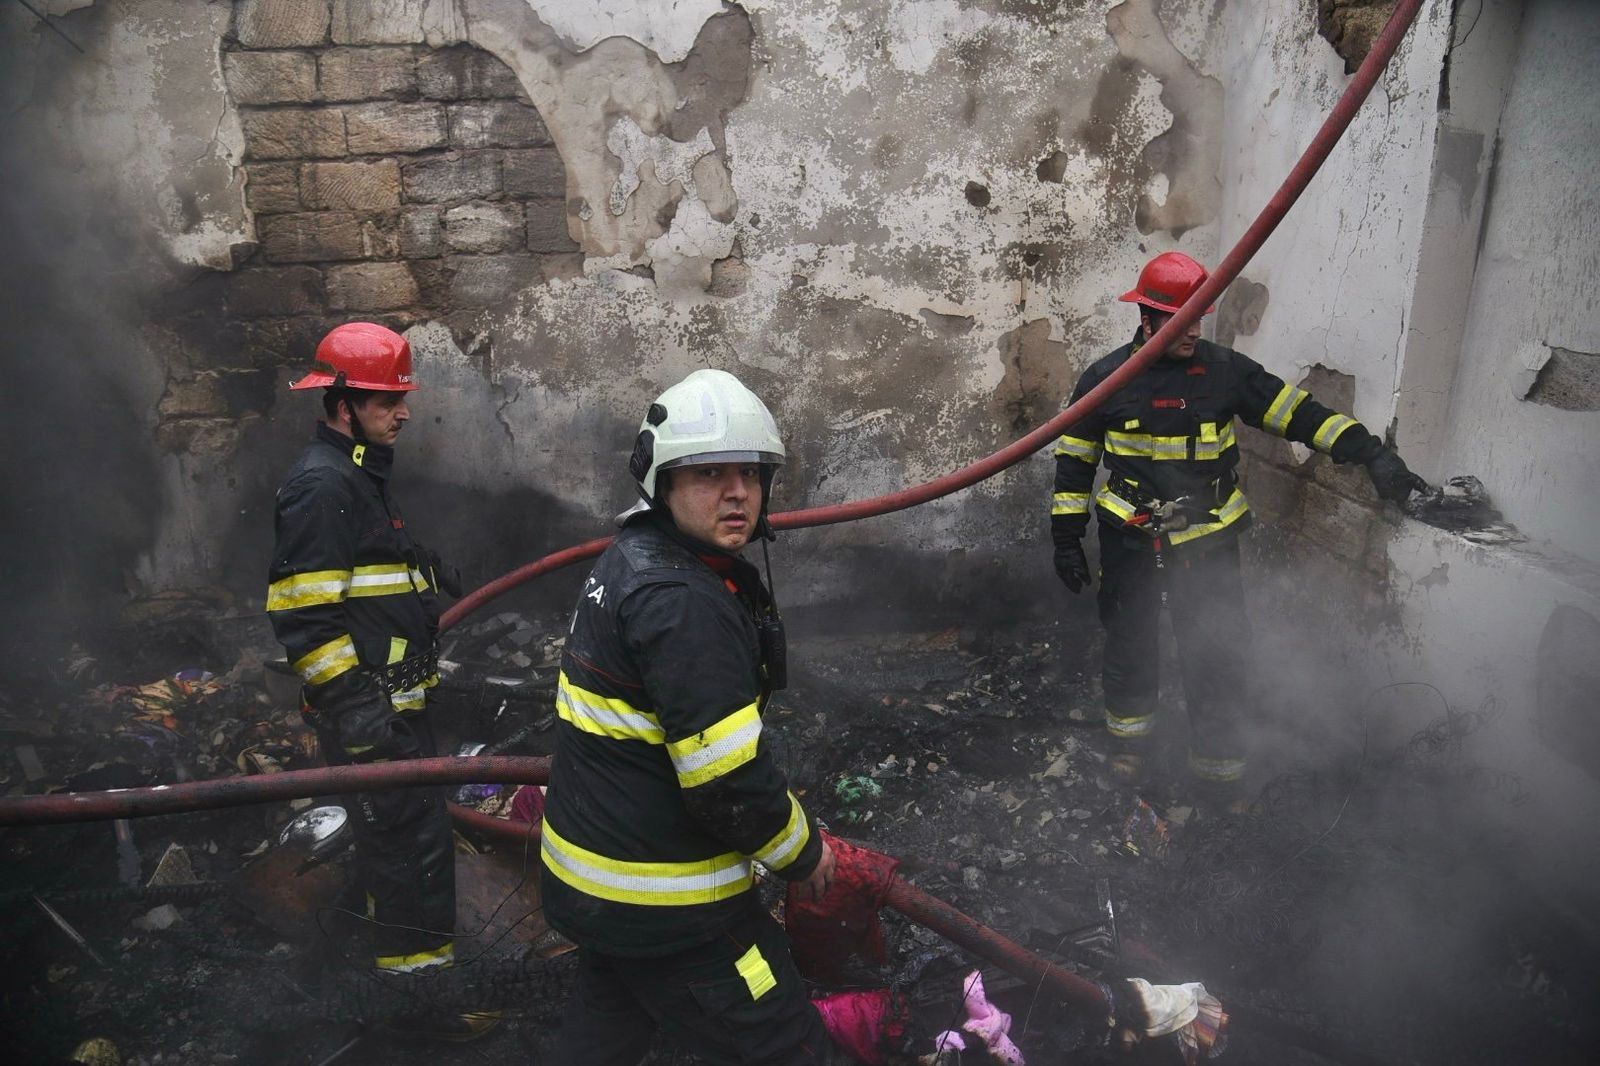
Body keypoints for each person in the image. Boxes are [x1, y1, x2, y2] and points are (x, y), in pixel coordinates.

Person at [540, 368, 843, 1064]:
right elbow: (728, 784)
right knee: (782, 1042)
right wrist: (804, 854)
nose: (737, 492)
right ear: (663, 483)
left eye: (750, 473)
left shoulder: (635, 559)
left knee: (603, 1037)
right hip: (670, 906)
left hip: (597, 886)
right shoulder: (682, 601)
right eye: (708, 473)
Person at [1050, 252, 1428, 800]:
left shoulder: (1227, 372)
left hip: (1207, 540)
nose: (1194, 331)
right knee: (1130, 643)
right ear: (1148, 319)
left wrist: (1370, 454)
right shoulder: (1107, 378)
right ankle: (1130, 748)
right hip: (1130, 536)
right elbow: (1075, 461)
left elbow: (1298, 413)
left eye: (1200, 318)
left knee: (1217, 650)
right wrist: (1065, 536)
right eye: (1182, 319)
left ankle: (1219, 770)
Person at [265, 322, 466, 981]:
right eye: (387, 401)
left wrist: (432, 581)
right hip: (372, 719)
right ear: (342, 403)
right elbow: (306, 619)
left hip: (395, 708)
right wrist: (361, 719)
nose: (404, 412)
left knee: (400, 845)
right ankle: (418, 1004)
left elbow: (374, 578)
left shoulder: (359, 476)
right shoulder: (322, 487)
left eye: (400, 398)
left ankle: (343, 964)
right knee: (411, 850)